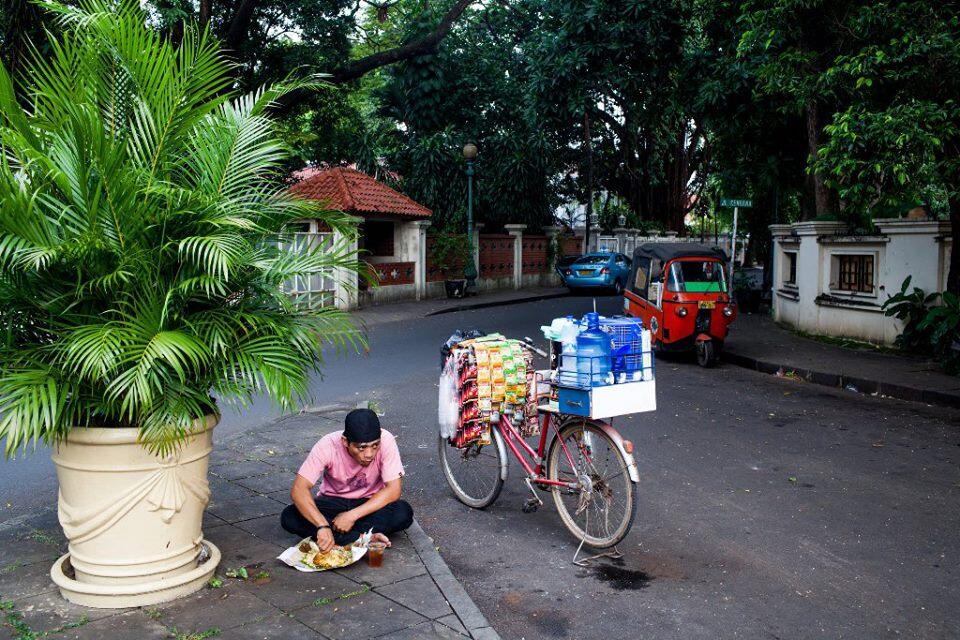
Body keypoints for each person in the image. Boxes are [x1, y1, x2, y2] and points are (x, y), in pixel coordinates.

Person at [280, 408, 413, 551]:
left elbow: (394, 490)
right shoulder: (327, 445)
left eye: (375, 446)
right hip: (332, 502)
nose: (369, 454)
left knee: (403, 512)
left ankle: (343, 536)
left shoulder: (386, 439)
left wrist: (351, 516)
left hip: (368, 503)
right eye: (361, 448)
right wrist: (322, 525)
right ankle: (364, 537)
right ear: (345, 442)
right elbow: (299, 490)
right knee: (290, 516)